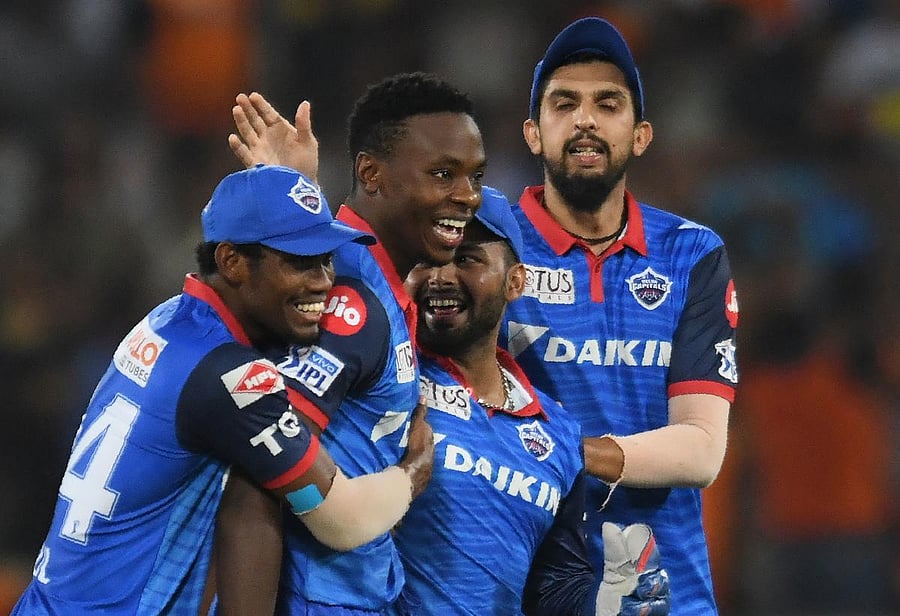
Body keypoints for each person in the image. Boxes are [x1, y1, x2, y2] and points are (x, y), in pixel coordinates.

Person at [10, 164, 435, 615]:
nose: (323, 282)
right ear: (231, 262)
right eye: (298, 262)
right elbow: (341, 520)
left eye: (327, 259)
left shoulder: (163, 321)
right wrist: (411, 475)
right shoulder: (232, 378)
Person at [215, 72, 487, 614]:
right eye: (442, 174)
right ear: (371, 173)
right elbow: (255, 475)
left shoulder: (377, 285)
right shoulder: (353, 300)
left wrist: (289, 196)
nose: (467, 196)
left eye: (475, 176)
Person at [499, 17, 739, 614]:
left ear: (640, 135)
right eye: (564, 104)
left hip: (668, 595)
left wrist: (563, 451)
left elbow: (702, 450)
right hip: (526, 588)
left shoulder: (692, 253)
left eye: (608, 104)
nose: (585, 120)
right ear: (533, 133)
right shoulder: (487, 247)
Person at [394, 185, 669, 616]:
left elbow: (553, 588)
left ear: (515, 281)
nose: (441, 276)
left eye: (465, 258)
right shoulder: (386, 378)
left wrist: (606, 604)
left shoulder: (557, 432)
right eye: (425, 259)